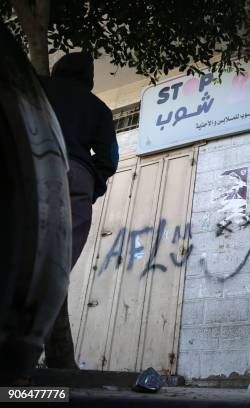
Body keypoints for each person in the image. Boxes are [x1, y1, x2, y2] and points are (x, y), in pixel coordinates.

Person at [39, 52, 119, 368]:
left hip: (32, 167)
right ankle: (21, 369)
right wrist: (92, 183)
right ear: (89, 80)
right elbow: (109, 158)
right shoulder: (99, 108)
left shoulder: (36, 88)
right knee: (52, 272)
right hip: (76, 178)